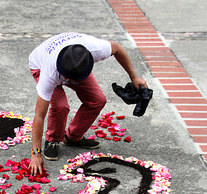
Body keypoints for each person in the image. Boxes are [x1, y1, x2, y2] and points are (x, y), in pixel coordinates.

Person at [28, 32, 148, 176]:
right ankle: (53, 139)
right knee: (60, 106)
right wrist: (36, 153)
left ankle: (72, 137)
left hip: (75, 65)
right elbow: (39, 115)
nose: (66, 80)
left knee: (98, 100)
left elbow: (117, 48)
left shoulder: (95, 49)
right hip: (40, 65)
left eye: (72, 80)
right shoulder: (49, 72)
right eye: (66, 78)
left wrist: (134, 77)